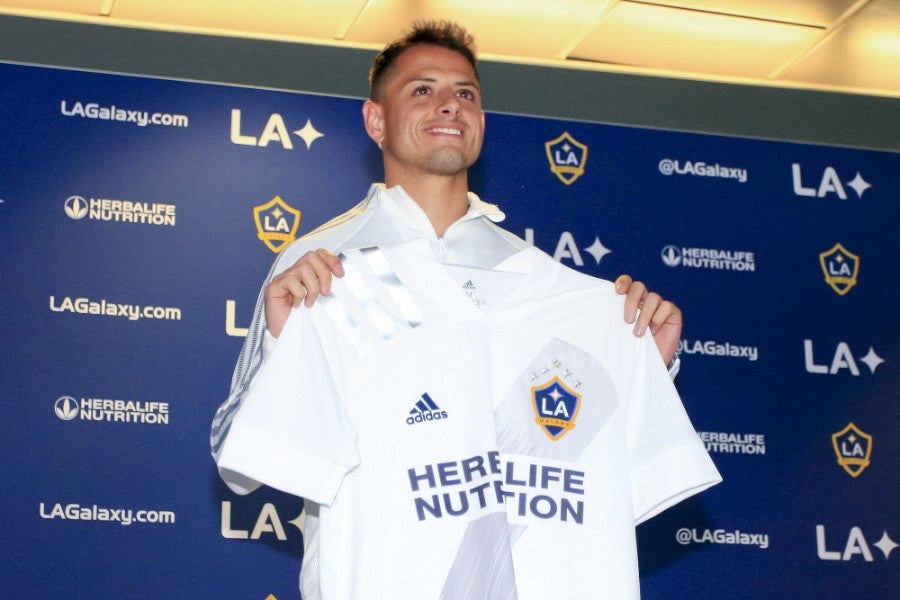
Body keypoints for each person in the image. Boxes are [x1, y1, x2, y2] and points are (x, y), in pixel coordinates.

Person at [212, 21, 719, 599]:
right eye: (422, 90)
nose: (449, 104)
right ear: (376, 120)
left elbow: (565, 437)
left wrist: (643, 362)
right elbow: (239, 455)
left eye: (466, 94)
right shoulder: (319, 265)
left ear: (481, 122)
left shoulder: (546, 278)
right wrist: (288, 345)